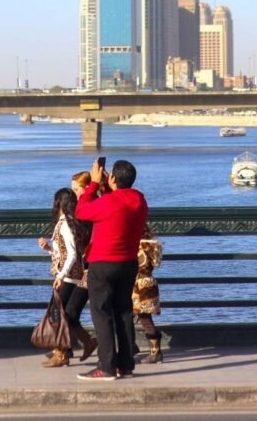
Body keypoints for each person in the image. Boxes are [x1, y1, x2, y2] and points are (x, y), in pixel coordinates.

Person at [74, 159, 148, 381]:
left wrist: (94, 184)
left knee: (102, 313)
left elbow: (82, 211)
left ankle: (105, 366)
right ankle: (125, 364)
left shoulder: (108, 202)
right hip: (128, 262)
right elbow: (116, 203)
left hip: (103, 263)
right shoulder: (140, 201)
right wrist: (108, 185)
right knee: (124, 312)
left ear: (114, 178)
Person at [37, 187, 96, 367]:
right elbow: (68, 251)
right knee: (66, 314)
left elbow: (70, 254)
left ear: (58, 204)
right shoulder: (74, 222)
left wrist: (60, 276)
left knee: (57, 315)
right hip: (75, 274)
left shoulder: (64, 225)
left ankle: (61, 354)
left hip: (69, 275)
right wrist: (49, 249)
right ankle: (85, 342)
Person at [133, 226, 163, 364]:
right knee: (145, 317)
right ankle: (154, 351)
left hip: (138, 285)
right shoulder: (151, 245)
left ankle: (155, 352)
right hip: (149, 283)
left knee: (143, 318)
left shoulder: (137, 246)